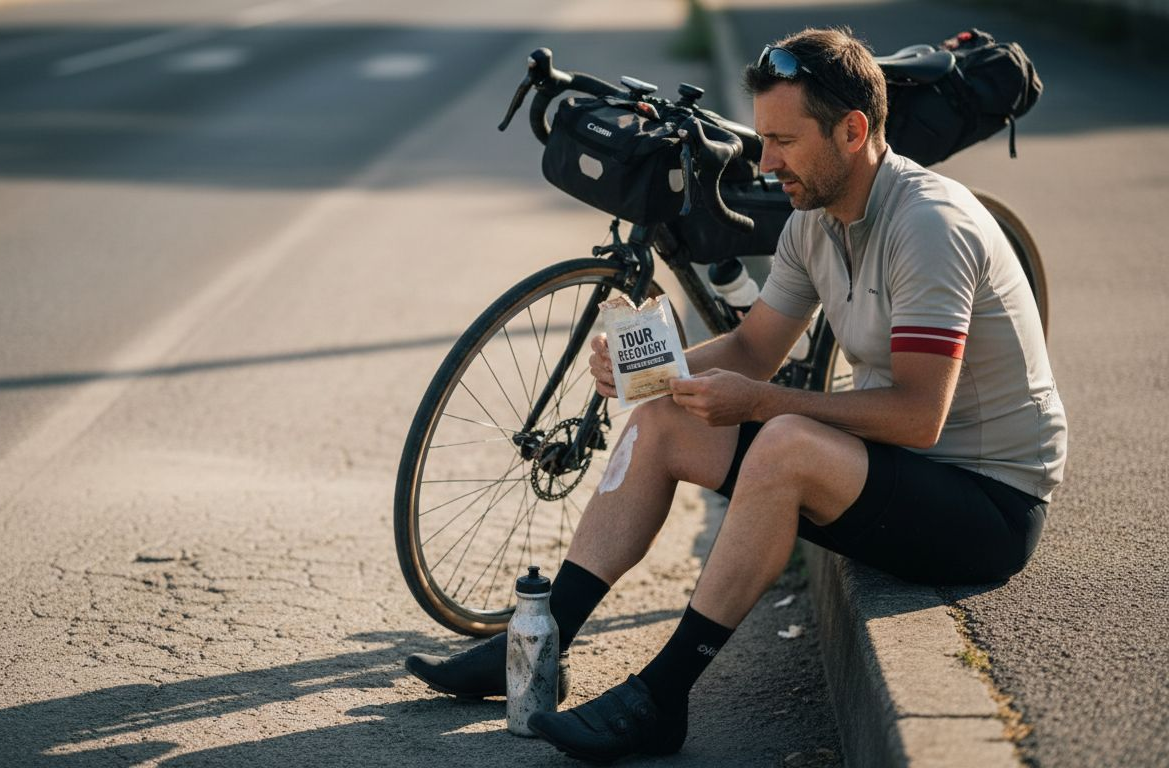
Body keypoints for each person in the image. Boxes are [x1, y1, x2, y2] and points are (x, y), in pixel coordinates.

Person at [405, 26, 1066, 763]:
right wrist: (642, 369)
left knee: (783, 442)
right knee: (661, 418)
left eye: (784, 140)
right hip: (902, 477)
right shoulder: (817, 220)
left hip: (987, 506)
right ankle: (536, 645)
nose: (767, 160)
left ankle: (661, 699)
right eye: (762, 137)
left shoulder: (928, 226)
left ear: (853, 131)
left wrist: (760, 405)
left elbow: (916, 416)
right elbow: (755, 348)